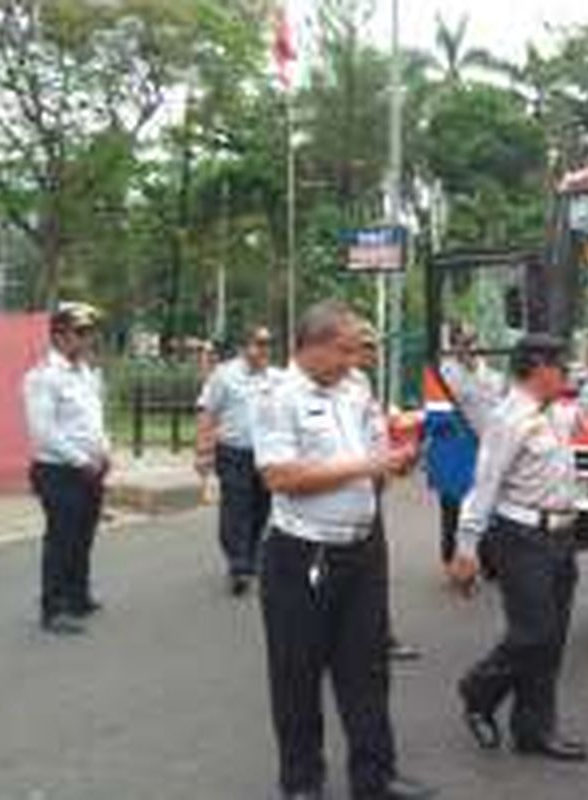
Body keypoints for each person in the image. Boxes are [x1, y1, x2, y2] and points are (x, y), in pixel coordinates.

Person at [252, 300, 434, 800]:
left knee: (368, 670)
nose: (355, 360)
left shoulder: (356, 387)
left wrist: (394, 463)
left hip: (362, 549)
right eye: (345, 350)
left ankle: (375, 776)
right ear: (312, 346)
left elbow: (373, 454)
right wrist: (368, 467)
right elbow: (280, 476)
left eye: (358, 351)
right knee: (297, 674)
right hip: (302, 555)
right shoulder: (277, 395)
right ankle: (302, 782)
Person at [448, 333, 588, 761]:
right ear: (538, 368)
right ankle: (478, 690)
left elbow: (584, 419)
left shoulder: (554, 410)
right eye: (560, 365)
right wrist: (465, 549)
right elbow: (484, 486)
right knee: (534, 633)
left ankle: (534, 730)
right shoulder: (508, 418)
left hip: (561, 536)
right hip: (522, 539)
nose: (566, 373)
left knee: (552, 640)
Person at [22, 302, 111, 635]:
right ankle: (54, 607)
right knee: (62, 538)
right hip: (59, 471)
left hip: (90, 469)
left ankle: (78, 596)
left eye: (89, 332)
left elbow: (94, 420)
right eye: (80, 332)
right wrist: (81, 460)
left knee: (83, 535)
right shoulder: (43, 377)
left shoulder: (87, 373)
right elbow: (43, 432)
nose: (87, 339)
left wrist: (105, 450)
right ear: (58, 335)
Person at [349, 320, 422, 663]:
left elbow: (374, 432)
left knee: (373, 570)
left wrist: (393, 460)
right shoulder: (337, 386)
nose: (373, 352)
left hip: (370, 489)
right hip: (347, 493)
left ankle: (378, 637)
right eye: (367, 345)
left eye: (375, 345)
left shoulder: (361, 383)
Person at [194, 325, 279, 596]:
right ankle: (238, 563)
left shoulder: (277, 378)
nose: (263, 349)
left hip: (265, 455)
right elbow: (207, 412)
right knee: (236, 508)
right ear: (244, 347)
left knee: (261, 507)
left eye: (267, 344)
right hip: (233, 452)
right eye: (258, 343)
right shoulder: (224, 376)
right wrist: (203, 450)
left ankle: (251, 556)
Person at [428, 324, 506, 568]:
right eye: (464, 342)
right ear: (454, 346)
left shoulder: (489, 374)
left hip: (487, 448)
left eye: (473, 341)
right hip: (456, 450)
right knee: (452, 506)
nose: (470, 348)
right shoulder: (444, 374)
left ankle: (490, 560)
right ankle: (452, 558)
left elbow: (498, 400)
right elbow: (444, 405)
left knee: (487, 506)